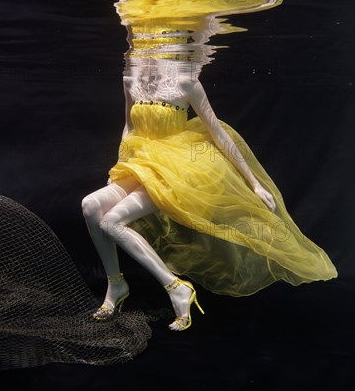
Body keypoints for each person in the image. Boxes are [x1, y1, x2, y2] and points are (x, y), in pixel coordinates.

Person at [81, 58, 337, 332]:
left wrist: (253, 182)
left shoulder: (186, 81)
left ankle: (175, 288)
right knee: (90, 206)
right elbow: (129, 128)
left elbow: (218, 133)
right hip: (140, 165)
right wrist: (120, 165)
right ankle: (116, 283)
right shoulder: (131, 79)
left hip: (177, 170)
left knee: (111, 222)